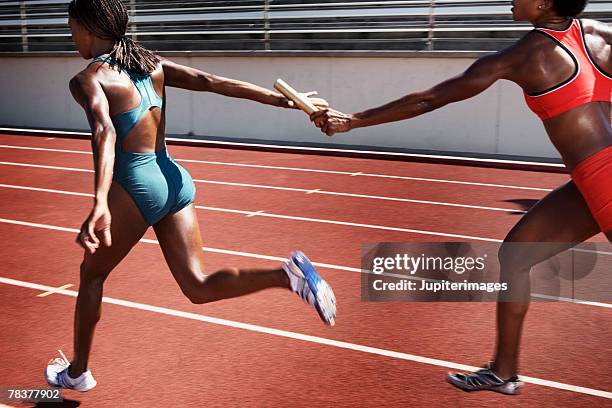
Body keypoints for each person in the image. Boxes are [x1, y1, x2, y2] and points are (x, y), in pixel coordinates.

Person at [311, 0, 610, 395]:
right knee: (517, 254)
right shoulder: (601, 36)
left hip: (602, 181)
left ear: (542, 2)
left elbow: (430, 98)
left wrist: (353, 120)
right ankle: (504, 371)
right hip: (589, 182)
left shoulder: (525, 55)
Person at [45, 0, 336, 392]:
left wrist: (99, 200)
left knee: (91, 274)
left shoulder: (88, 78)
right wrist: (284, 100)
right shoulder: (153, 64)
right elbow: (211, 81)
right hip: (174, 178)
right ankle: (287, 275)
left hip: (137, 183)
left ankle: (78, 372)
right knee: (197, 285)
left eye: (71, 28)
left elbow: (104, 131)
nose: (70, 36)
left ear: (89, 27)